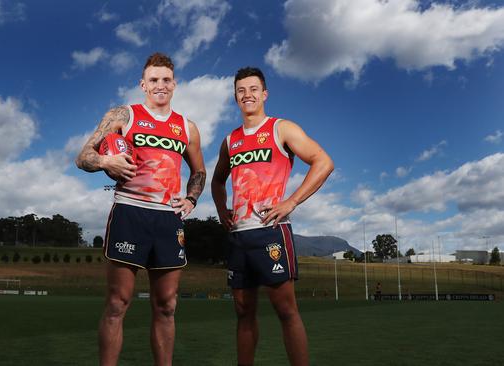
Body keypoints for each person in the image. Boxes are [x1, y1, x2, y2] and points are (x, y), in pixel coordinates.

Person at [75, 52, 206, 366]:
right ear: (143, 84)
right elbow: (83, 156)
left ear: (174, 84)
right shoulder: (123, 115)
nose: (160, 85)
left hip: (167, 219)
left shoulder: (186, 128)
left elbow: (199, 171)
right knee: (118, 303)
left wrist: (191, 199)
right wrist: (106, 161)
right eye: (153, 80)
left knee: (167, 305)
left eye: (165, 80)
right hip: (129, 213)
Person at [211, 67, 334, 366]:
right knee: (243, 311)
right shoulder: (230, 141)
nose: (247, 95)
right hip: (239, 236)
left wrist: (291, 201)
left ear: (264, 94)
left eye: (253, 89)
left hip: (271, 232)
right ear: (235, 97)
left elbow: (323, 162)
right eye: (241, 90)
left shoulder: (281, 128)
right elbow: (217, 181)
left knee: (286, 310)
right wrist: (221, 210)